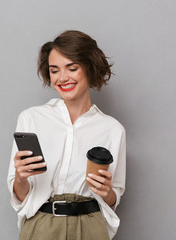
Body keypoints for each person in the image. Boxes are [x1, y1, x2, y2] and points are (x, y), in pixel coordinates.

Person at [7, 30, 126, 240]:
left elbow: (113, 199)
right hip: (41, 225)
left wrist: (106, 191)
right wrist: (20, 177)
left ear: (89, 68)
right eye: (54, 70)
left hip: (90, 227)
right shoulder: (31, 118)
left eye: (72, 68)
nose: (62, 78)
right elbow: (21, 197)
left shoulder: (112, 129)